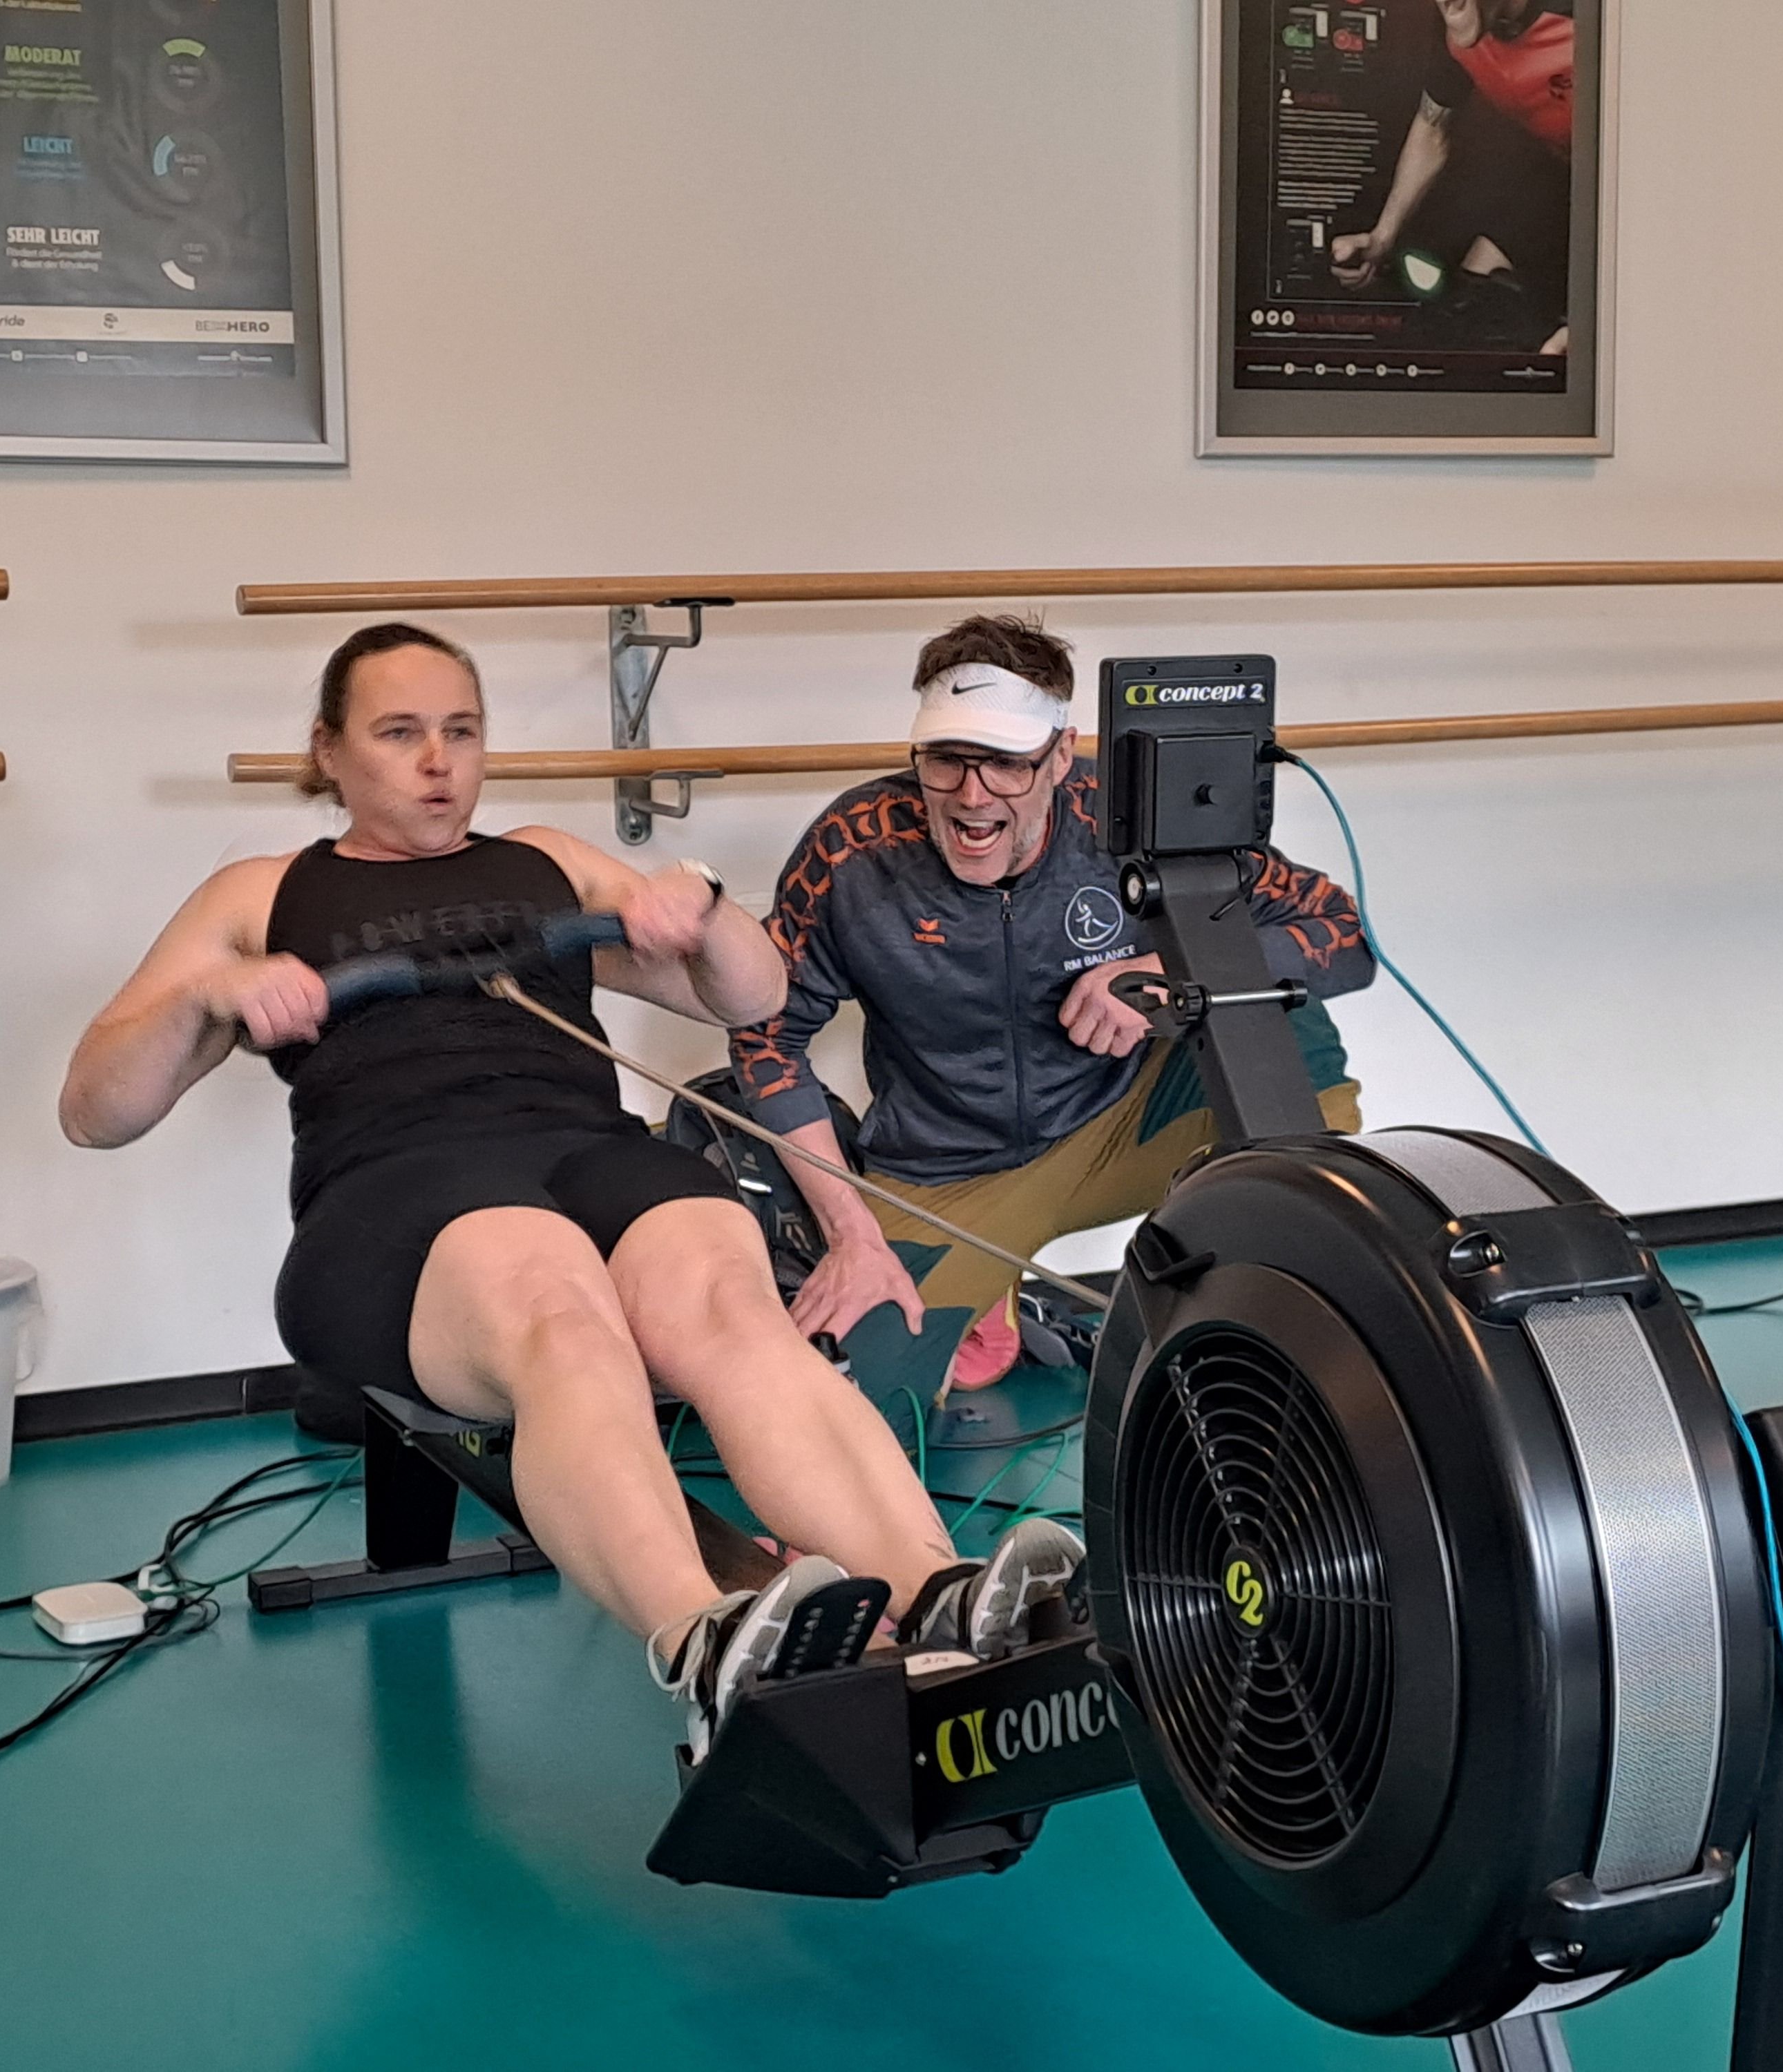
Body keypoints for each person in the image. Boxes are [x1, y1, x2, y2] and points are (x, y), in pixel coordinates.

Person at [59, 622, 1076, 1757]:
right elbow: (96, 1111)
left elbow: (752, 995)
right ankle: (707, 1641)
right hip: (396, 1188)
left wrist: (692, 912)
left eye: (462, 731)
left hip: (587, 1150)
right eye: (401, 734)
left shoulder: (541, 857)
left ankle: (934, 1590)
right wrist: (215, 997)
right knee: (559, 1312)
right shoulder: (264, 892)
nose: (439, 761)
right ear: (329, 751)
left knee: (732, 1310)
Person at [732, 615, 1373, 1391]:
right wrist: (850, 1235)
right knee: (839, 1400)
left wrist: (1165, 977)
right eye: (946, 762)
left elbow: (1342, 932)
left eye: (1005, 765)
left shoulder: (1134, 819)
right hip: (952, 1172)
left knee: (1281, 1015)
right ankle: (986, 1282)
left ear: (1061, 755)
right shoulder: (853, 849)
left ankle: (1275, 1288)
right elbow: (767, 1038)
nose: (972, 798)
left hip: (1125, 1120)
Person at [1327, 0, 1579, 356]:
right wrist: (1383, 236)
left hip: (1637, 199)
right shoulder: (1452, 32)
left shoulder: (1588, 19)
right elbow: (1433, 126)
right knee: (1477, 307)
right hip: (1561, 186)